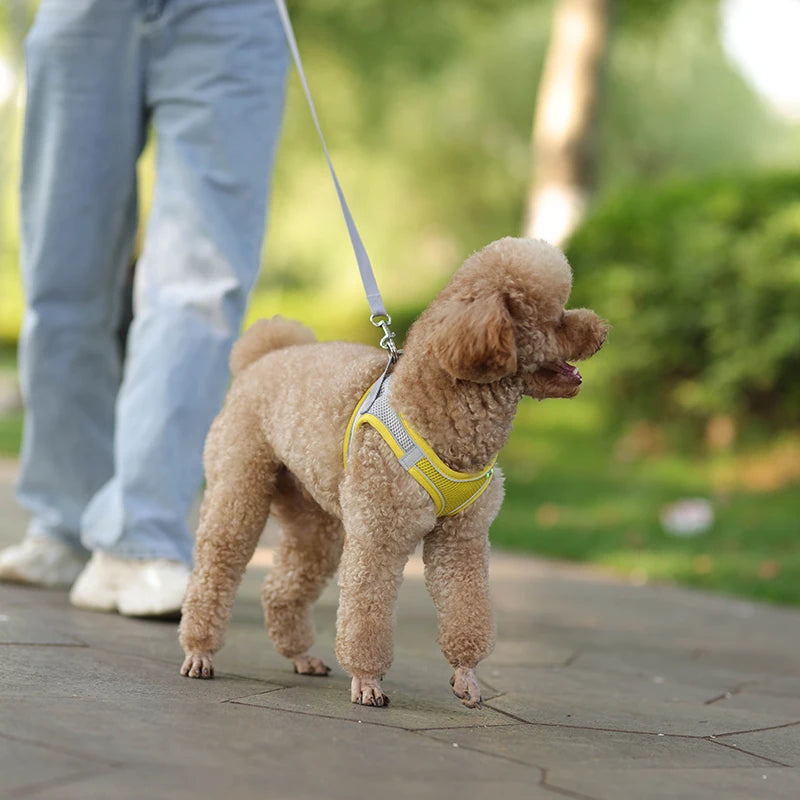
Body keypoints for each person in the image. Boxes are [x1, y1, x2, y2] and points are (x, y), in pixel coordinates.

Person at [0, 0, 289, 617]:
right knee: (63, 271)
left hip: (233, 17)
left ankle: (141, 534)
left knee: (201, 276)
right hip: (83, 13)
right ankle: (65, 522)